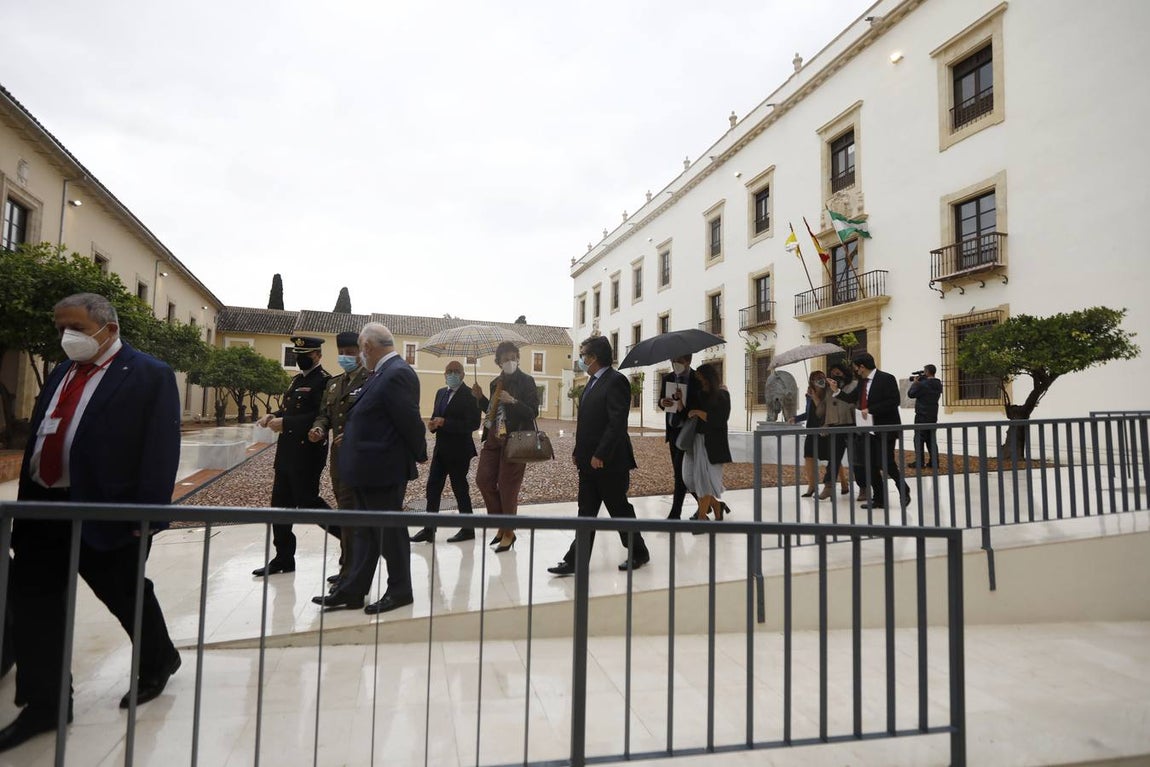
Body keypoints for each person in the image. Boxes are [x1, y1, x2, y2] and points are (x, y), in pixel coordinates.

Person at [1, 293, 181, 751]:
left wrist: (147, 517)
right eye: (61, 326)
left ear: (109, 329)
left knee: (124, 594)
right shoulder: (62, 372)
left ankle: (159, 661)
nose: (67, 336)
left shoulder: (148, 375)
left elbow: (160, 451)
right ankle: (45, 704)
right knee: (35, 606)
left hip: (109, 512)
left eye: (77, 327)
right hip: (44, 509)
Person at [312, 323, 427, 614]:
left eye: (361, 351)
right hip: (366, 469)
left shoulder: (398, 373)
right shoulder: (380, 374)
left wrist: (419, 455)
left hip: (383, 469)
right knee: (365, 533)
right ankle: (353, 590)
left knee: (390, 533)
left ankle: (401, 590)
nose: (360, 357)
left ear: (367, 347)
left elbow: (409, 421)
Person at [548, 336, 650, 576]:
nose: (581, 359)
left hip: (609, 462)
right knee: (585, 511)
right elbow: (587, 424)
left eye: (583, 354)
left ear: (593, 357)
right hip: (587, 462)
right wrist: (578, 452)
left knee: (619, 510)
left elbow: (616, 423)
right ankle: (576, 560)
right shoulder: (591, 383)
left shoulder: (616, 381)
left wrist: (600, 454)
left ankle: (639, 552)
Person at [252, 335, 332, 577]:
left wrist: (285, 422)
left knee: (310, 504)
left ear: (317, 355)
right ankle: (283, 558)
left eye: (305, 356)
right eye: (297, 356)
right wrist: (272, 415)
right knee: (280, 507)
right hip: (286, 453)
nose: (300, 360)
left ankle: (349, 539)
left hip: (307, 454)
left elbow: (320, 416)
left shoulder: (325, 382)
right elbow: (290, 408)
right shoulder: (296, 381)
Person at [307, 331, 369, 590]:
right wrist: (319, 429)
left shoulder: (370, 381)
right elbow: (324, 414)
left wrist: (355, 437)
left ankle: (350, 573)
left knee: (351, 516)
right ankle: (347, 563)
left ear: (361, 352)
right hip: (338, 460)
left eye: (350, 352)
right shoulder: (333, 384)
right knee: (345, 514)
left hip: (360, 461)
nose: (345, 357)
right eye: (342, 353)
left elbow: (372, 420)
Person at [473, 341, 539, 553]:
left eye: (513, 357)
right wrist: (481, 398)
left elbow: (532, 412)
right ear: (498, 362)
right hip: (494, 438)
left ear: (518, 358)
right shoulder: (495, 383)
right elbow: (491, 411)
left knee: (508, 486)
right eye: (505, 359)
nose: (510, 361)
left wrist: (513, 401)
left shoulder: (527, 381)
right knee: (483, 480)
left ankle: (508, 532)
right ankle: (502, 523)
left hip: (516, 440)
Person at [412, 361, 481, 543]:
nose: (452, 374)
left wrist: (445, 423)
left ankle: (468, 529)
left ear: (463, 374)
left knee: (460, 489)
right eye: (448, 371)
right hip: (441, 449)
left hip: (460, 450)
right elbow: (437, 415)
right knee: (433, 488)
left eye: (455, 371)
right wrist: (433, 424)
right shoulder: (441, 393)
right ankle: (429, 528)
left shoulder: (470, 395)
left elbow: (473, 424)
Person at [852, 352, 910, 510]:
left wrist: (871, 410)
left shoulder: (886, 378)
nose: (856, 371)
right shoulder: (862, 383)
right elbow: (852, 398)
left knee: (886, 462)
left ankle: (903, 489)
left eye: (857, 368)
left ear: (862, 366)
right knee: (870, 465)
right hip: (868, 430)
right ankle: (879, 499)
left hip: (886, 428)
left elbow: (894, 401)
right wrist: (836, 391)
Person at [680, 363, 732, 522]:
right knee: (691, 478)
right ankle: (716, 506)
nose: (700, 381)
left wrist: (699, 413)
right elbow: (688, 414)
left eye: (702, 378)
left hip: (714, 444)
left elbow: (720, 419)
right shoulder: (700, 394)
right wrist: (681, 403)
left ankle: (702, 517)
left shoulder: (723, 395)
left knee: (706, 482)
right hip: (697, 441)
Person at [657, 354, 701, 519]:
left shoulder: (697, 379)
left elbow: (698, 408)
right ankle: (710, 504)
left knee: (681, 474)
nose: (675, 364)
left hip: (689, 432)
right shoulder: (668, 377)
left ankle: (675, 514)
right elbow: (661, 401)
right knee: (681, 473)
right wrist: (663, 403)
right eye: (672, 361)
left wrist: (682, 403)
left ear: (688, 361)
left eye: (679, 361)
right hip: (673, 431)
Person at [818, 362, 858, 499]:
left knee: (856, 459)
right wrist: (815, 395)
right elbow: (824, 410)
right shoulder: (828, 389)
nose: (836, 375)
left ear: (845, 373)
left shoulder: (854, 385)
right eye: (833, 373)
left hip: (852, 425)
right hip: (835, 427)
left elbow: (858, 404)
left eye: (838, 372)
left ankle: (864, 487)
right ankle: (828, 487)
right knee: (833, 458)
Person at [794, 370, 829, 497]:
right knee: (808, 457)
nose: (819, 380)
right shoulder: (809, 394)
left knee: (831, 457)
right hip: (811, 430)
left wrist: (815, 396)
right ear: (811, 381)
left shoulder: (828, 392)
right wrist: (796, 418)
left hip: (824, 429)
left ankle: (844, 483)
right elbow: (809, 413)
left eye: (821, 377)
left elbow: (822, 411)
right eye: (815, 378)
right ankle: (811, 486)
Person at [907, 364, 943, 469]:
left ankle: (920, 462)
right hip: (933, 415)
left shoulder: (922, 384)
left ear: (926, 372)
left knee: (918, 439)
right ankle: (934, 462)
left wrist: (915, 384)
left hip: (921, 415)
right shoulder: (938, 384)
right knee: (931, 439)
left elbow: (910, 394)